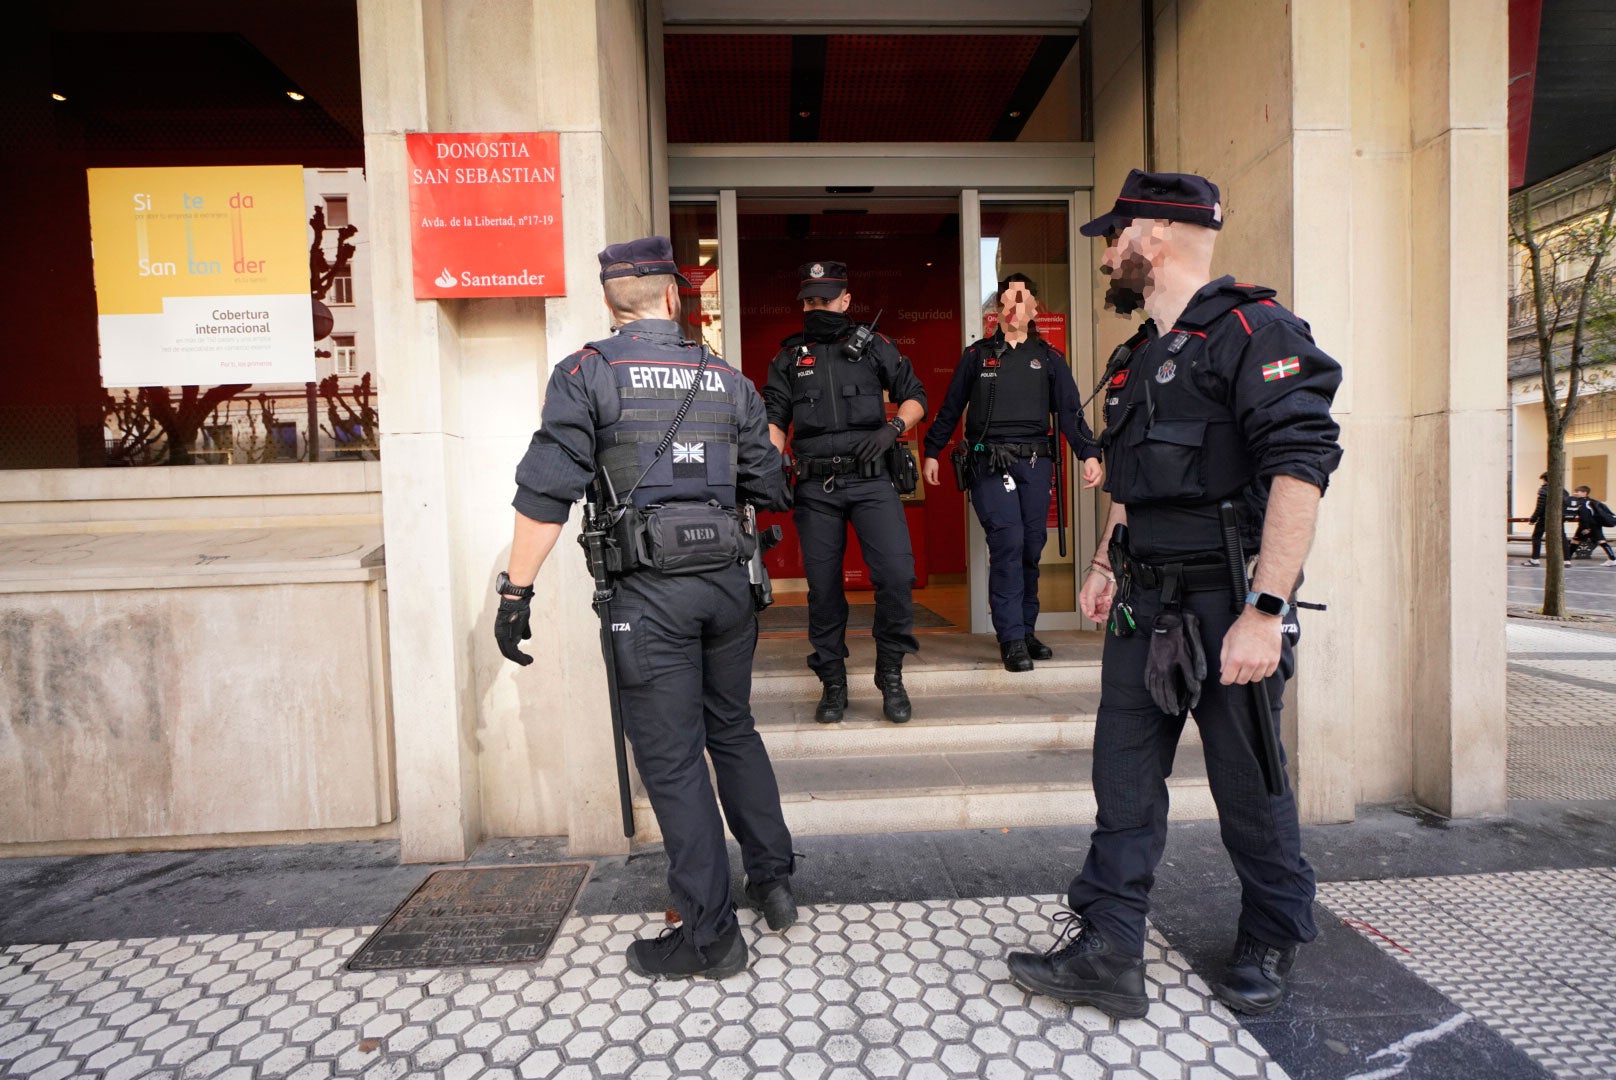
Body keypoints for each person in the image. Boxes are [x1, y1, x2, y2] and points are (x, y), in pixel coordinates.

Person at [1005, 171, 1344, 1019]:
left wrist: (1266, 610)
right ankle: (1110, 947)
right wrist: (1105, 563)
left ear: (1155, 234)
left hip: (1229, 601)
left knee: (1248, 781)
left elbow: (1300, 470)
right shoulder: (1138, 356)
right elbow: (1131, 480)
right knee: (1122, 778)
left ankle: (1273, 931)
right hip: (1143, 600)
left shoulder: (1256, 330)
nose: (1107, 255)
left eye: (1115, 236)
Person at [495, 236, 797, 980]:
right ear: (673, 296)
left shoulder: (585, 374)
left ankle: (710, 935)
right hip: (728, 588)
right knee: (733, 729)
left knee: (672, 756)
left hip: (648, 596)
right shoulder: (727, 378)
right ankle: (773, 881)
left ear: (609, 302)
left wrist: (515, 590)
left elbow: (546, 493)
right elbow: (771, 487)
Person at [762, 260, 928, 725]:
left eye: (826, 299)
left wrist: (892, 428)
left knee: (896, 576)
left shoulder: (874, 346)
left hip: (872, 481)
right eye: (809, 301)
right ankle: (832, 680)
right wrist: (772, 466)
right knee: (823, 589)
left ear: (846, 300)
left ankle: (890, 673)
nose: (816, 307)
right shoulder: (789, 357)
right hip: (816, 487)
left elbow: (916, 396)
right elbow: (775, 419)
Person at [921, 273, 1106, 671]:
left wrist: (1089, 453)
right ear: (997, 308)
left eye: (1022, 301)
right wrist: (932, 450)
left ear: (1035, 308)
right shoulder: (977, 356)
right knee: (1008, 539)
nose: (1014, 308)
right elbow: (950, 408)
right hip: (989, 462)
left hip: (1035, 463)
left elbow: (1070, 413)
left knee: (1030, 546)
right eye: (1007, 300)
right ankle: (1011, 638)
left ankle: (1025, 630)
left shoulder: (1050, 358)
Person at [1524, 472, 1572, 566]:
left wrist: (1533, 518)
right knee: (1562, 538)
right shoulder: (1563, 491)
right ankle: (1566, 560)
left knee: (1537, 536)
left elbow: (1540, 506)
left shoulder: (1544, 490)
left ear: (1545, 479)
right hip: (1559, 518)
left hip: (1545, 518)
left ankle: (1535, 559)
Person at [1571, 485, 1616, 563]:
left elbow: (1584, 516)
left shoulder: (1582, 503)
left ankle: (1566, 559)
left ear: (1585, 493)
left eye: (1577, 492)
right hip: (1596, 525)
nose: (1575, 493)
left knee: (1575, 540)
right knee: (1601, 541)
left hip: (1586, 526)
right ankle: (1612, 558)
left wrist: (1586, 527)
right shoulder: (1591, 501)